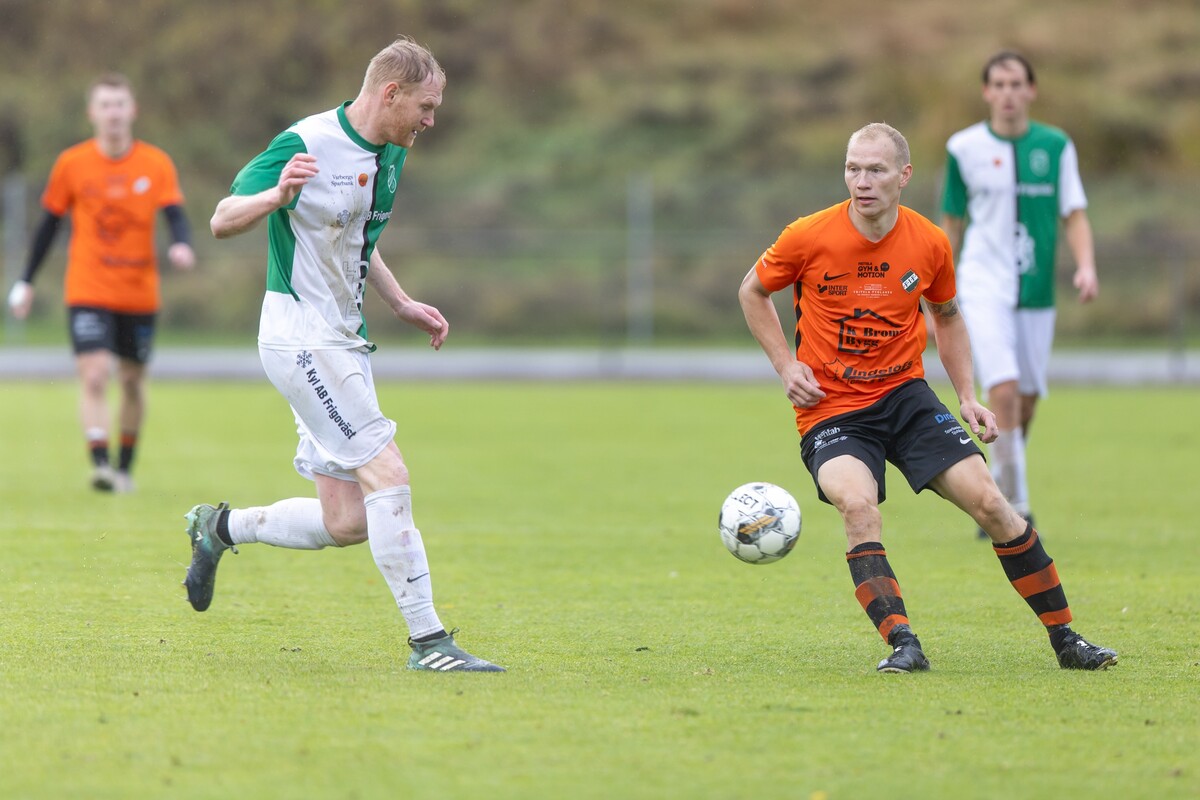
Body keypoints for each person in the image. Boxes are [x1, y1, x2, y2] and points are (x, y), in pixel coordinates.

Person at [738, 122, 1116, 673]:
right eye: (852, 168)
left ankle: (1067, 640)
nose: (862, 181)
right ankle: (903, 643)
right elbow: (752, 290)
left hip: (907, 398)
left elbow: (948, 316)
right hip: (832, 408)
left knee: (993, 505)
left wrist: (966, 395)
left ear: (904, 176)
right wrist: (785, 365)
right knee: (858, 507)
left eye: (876, 170)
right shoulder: (808, 235)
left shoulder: (930, 242)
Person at [187, 36, 503, 673]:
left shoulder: (391, 152)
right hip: (301, 338)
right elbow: (221, 219)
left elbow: (355, 236)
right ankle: (429, 643)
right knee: (389, 473)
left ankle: (219, 528)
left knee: (347, 521)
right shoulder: (304, 143)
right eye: (426, 106)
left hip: (343, 341)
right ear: (391, 93)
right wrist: (275, 198)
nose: (430, 121)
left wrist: (401, 302)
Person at [7, 72, 195, 493]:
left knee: (131, 380)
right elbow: (48, 226)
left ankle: (124, 467)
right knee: (94, 375)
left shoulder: (156, 163)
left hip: (138, 292)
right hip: (88, 288)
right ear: (92, 113)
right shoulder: (72, 164)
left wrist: (182, 244)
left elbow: (175, 215)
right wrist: (26, 280)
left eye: (120, 104)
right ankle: (101, 464)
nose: (113, 113)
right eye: (105, 105)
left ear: (133, 110)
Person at [939, 51, 1098, 538]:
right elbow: (951, 222)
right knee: (1003, 390)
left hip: (1036, 289)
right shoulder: (963, 147)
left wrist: (1086, 266)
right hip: (982, 284)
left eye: (1016, 84)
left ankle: (1000, 490)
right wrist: (938, 286)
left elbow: (1074, 212)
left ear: (1031, 90)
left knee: (1025, 402)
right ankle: (1017, 507)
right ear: (986, 92)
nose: (1008, 93)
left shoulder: (1055, 146)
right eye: (999, 84)